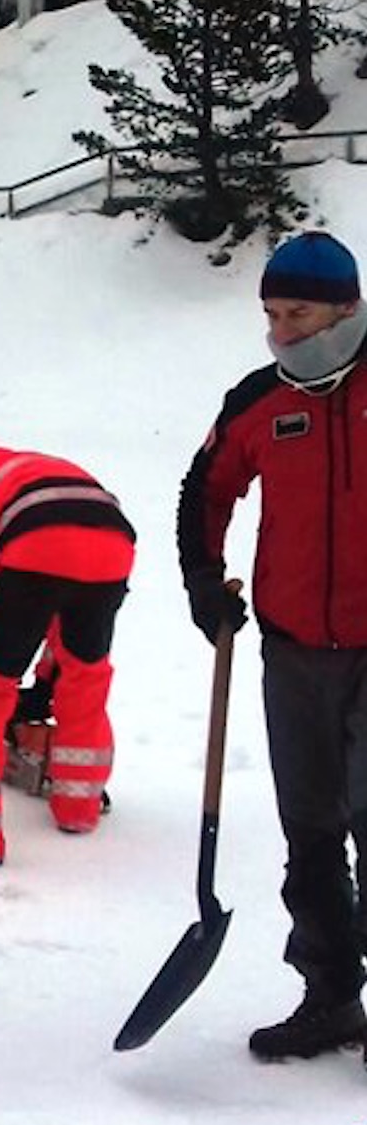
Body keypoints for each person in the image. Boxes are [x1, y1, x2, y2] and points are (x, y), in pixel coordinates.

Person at [178, 229, 367, 1062]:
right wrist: (202, 577)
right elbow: (207, 488)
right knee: (310, 830)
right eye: (271, 313)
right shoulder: (260, 400)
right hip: (292, 649)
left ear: (346, 308)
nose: (283, 328)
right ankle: (328, 995)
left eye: (298, 312)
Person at [0, 446, 135, 865]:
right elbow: (58, 608)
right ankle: (78, 808)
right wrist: (44, 681)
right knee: (85, 677)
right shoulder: (35, 475)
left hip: (37, 543)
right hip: (114, 544)